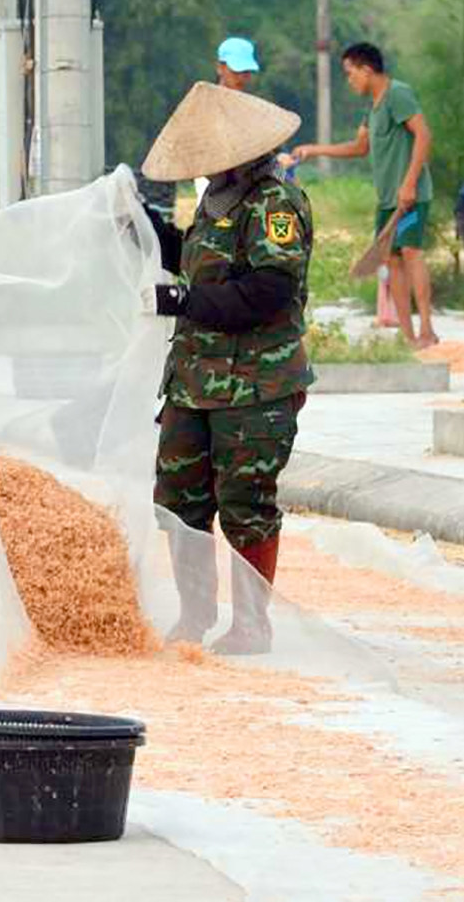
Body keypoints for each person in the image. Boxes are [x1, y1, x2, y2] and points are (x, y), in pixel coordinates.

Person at [141, 82, 313, 655]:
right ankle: (194, 618)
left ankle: (250, 624)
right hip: (193, 382)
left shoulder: (273, 204)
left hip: (256, 385)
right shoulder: (216, 199)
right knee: (178, 498)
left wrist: (186, 301)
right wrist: (145, 229)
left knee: (246, 502)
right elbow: (202, 263)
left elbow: (268, 289)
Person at [287, 43, 436, 348]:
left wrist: (408, 183)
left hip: (411, 196)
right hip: (387, 200)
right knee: (392, 261)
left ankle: (428, 331)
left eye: (350, 73)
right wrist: (315, 150)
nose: (350, 80)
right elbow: (359, 147)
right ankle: (408, 338)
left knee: (410, 253)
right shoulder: (373, 107)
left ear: (367, 69)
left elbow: (423, 134)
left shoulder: (398, 94)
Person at [195, 37, 261, 201]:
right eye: (236, 71)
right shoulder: (205, 104)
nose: (241, 78)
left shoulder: (252, 109)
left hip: (246, 185)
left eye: (246, 72)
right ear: (220, 68)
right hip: (212, 183)